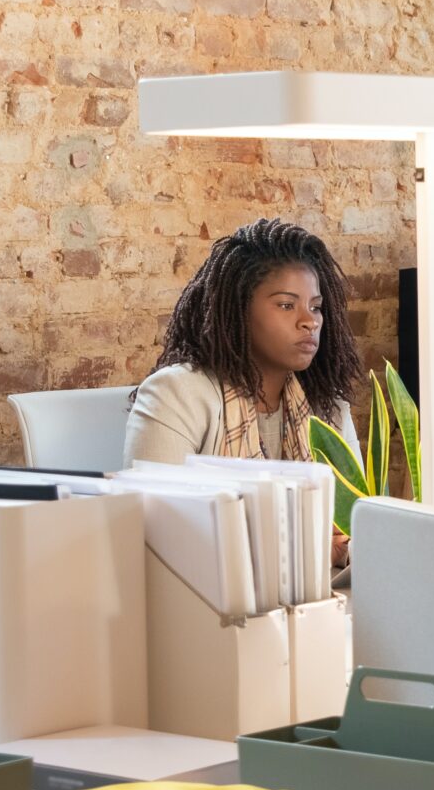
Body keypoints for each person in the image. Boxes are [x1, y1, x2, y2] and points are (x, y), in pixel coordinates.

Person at [126, 219, 365, 562]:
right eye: (286, 304)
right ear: (238, 310)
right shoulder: (175, 396)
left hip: (319, 602)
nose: (309, 321)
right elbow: (157, 535)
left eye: (315, 306)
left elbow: (353, 525)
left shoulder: (326, 408)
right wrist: (309, 546)